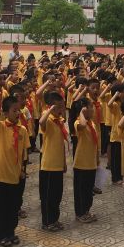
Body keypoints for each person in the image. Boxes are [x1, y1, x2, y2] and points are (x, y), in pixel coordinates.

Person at [0, 93, 28, 247]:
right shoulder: (0, 126)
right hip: (2, 174)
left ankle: (11, 231)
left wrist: (23, 170)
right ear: (5, 113)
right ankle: (0, 235)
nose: (18, 113)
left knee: (14, 205)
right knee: (1, 207)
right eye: (14, 110)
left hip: (16, 174)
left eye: (19, 110)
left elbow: (24, 153)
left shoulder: (23, 129)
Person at [38, 91, 67, 231]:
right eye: (58, 107)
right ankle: (47, 222)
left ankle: (54, 219)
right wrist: (49, 110)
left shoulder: (59, 121)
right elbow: (41, 122)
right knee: (48, 196)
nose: (61, 110)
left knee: (57, 195)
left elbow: (62, 144)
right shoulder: (48, 120)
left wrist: (64, 163)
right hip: (48, 165)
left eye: (62, 107)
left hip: (58, 164)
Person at [72, 98, 99, 223]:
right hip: (81, 163)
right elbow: (82, 126)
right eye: (90, 107)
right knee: (80, 190)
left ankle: (86, 210)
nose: (93, 109)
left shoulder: (91, 123)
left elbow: (95, 143)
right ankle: (80, 213)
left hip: (91, 162)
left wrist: (97, 158)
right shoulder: (78, 122)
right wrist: (81, 113)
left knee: (88, 190)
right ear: (84, 109)